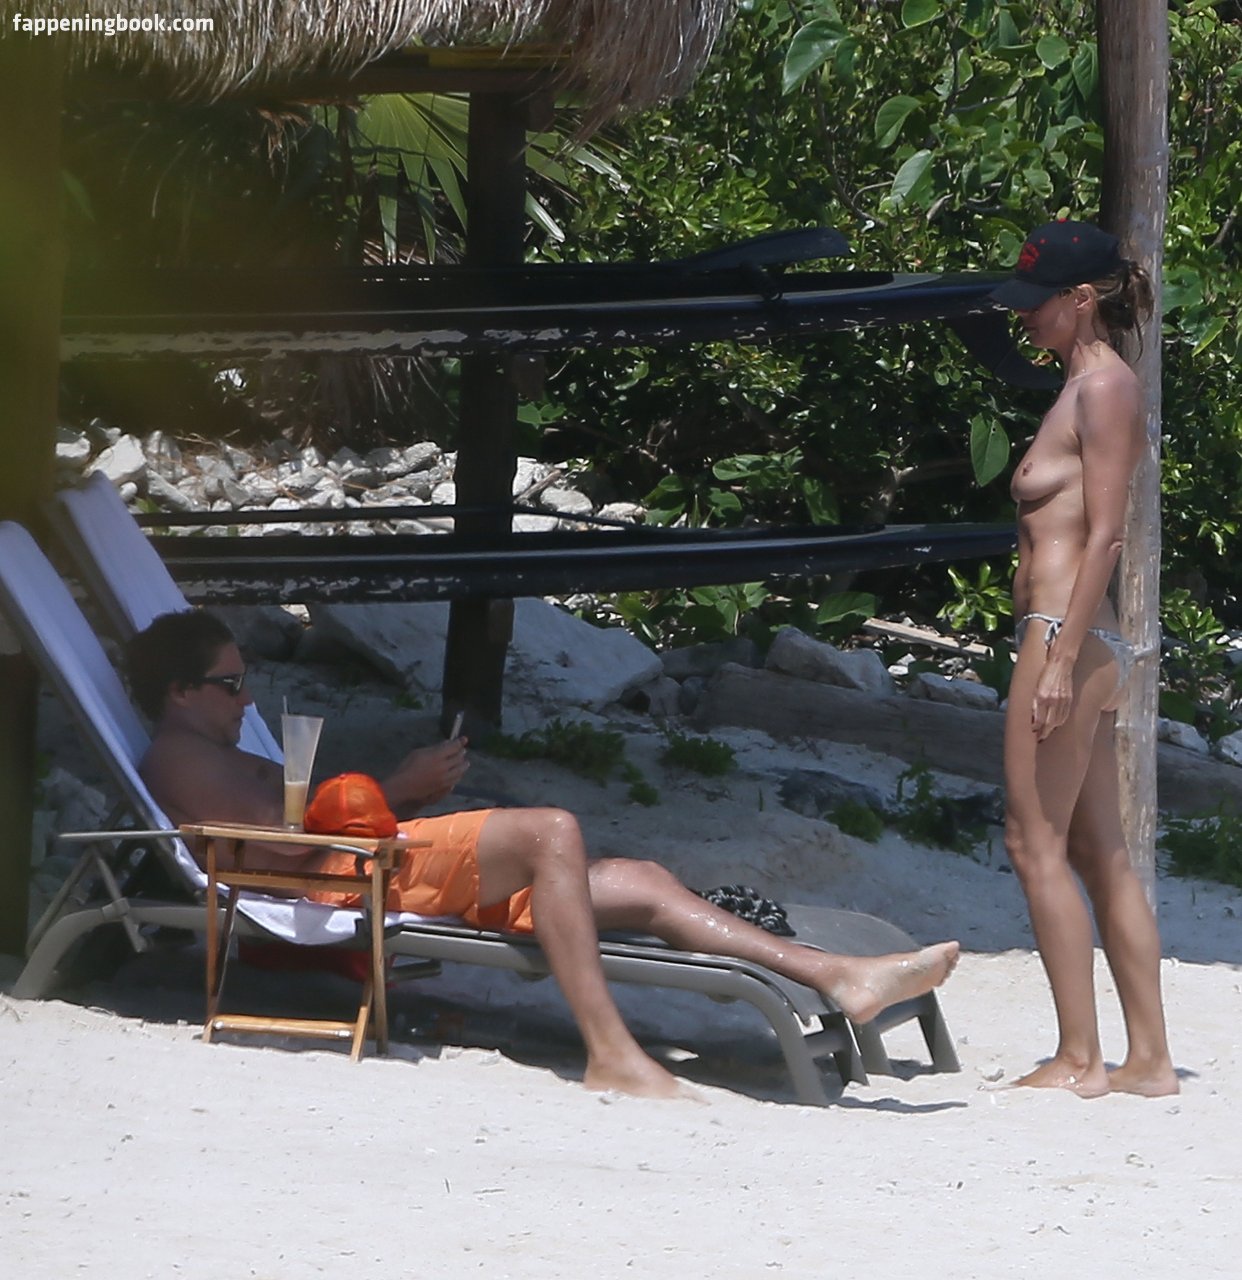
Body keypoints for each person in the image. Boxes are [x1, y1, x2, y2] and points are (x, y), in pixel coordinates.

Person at [126, 609, 959, 1099]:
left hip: (375, 864)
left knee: (642, 881)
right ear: (180, 691)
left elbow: (302, 829)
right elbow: (280, 855)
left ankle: (834, 975)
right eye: (230, 684)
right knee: (549, 828)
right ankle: (609, 1051)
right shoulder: (180, 757)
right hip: (355, 884)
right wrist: (394, 785)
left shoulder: (220, 751)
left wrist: (403, 793)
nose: (246, 698)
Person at [990, 219, 1177, 1097]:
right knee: (1102, 853)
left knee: (1033, 843)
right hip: (1081, 635)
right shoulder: (1080, 387)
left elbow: (1106, 535)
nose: (1025, 317)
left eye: (1039, 303)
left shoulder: (1105, 388)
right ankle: (1149, 1062)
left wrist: (1059, 659)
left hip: (1063, 634)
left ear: (1082, 298)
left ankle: (1078, 1059)